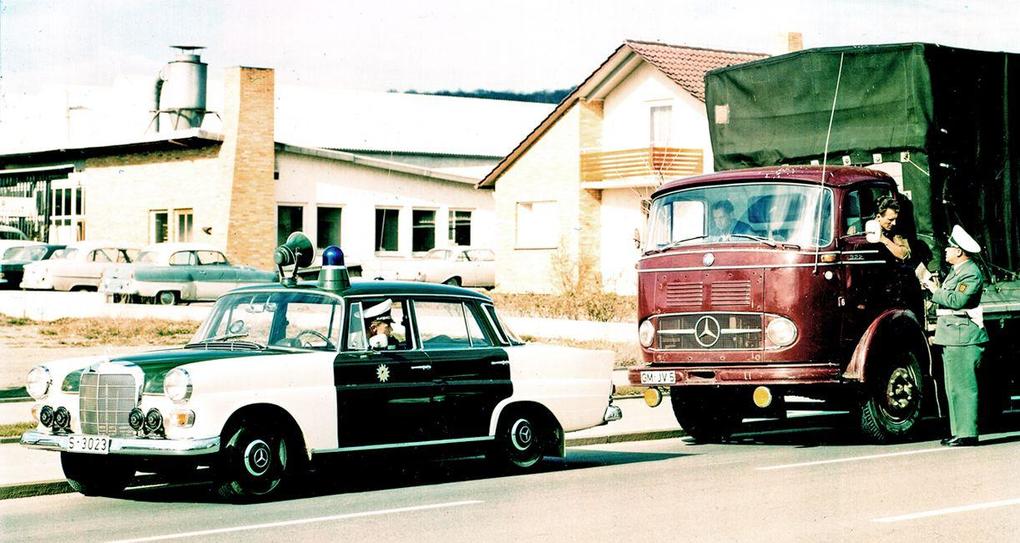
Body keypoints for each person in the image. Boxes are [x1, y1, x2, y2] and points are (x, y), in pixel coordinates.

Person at [924, 225, 988, 447]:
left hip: (963, 336)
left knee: (963, 386)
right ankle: (959, 431)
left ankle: (968, 433)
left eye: (950, 248)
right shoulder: (957, 272)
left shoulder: (970, 272)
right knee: (953, 387)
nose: (946, 251)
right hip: (952, 335)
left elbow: (957, 301)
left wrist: (935, 290)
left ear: (959, 251)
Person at [873, 196, 911, 261]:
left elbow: (904, 254)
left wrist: (884, 240)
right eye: (890, 220)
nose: (894, 223)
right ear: (878, 217)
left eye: (895, 219)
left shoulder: (895, 231)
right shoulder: (857, 229)